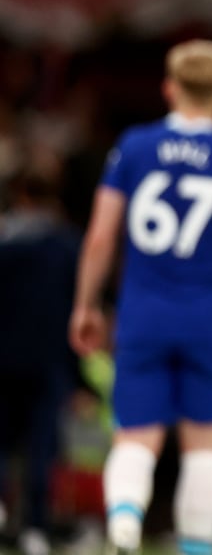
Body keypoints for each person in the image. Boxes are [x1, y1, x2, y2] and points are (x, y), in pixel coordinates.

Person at [68, 39, 212, 555]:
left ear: (169, 88)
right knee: (205, 448)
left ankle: (124, 523)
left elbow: (101, 235)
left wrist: (85, 304)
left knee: (135, 435)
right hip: (207, 319)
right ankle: (195, 547)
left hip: (141, 315)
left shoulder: (134, 146)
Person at [0, 168, 82, 555]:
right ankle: (34, 526)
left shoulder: (5, 242)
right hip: (47, 361)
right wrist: (77, 373)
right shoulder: (65, 246)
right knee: (41, 447)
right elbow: (76, 309)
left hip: (4, 359)